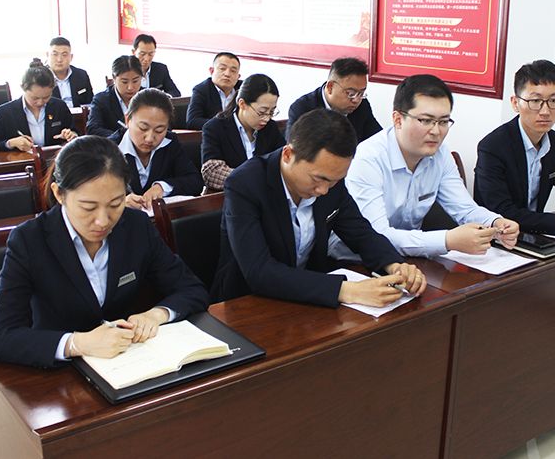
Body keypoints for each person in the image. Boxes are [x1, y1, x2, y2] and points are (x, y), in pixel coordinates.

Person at [0, 135, 209, 368]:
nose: (103, 221)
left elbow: (192, 289)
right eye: (88, 207)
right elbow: (2, 338)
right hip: (62, 374)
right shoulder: (29, 240)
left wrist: (157, 314)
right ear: (59, 194)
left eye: (115, 204)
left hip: (129, 362)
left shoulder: (136, 226)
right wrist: (77, 343)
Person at [212, 108, 426, 308]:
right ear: (288, 155)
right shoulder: (245, 184)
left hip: (308, 301)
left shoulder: (331, 179)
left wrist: (394, 265)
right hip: (246, 303)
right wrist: (346, 290)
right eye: (318, 179)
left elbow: (360, 232)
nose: (324, 190)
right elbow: (259, 271)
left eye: (334, 181)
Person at [329, 75, 519, 260]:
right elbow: (376, 236)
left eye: (443, 122)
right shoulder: (368, 159)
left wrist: (496, 222)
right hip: (355, 261)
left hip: (410, 259)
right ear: (398, 119)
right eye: (426, 121)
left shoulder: (440, 154)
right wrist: (447, 240)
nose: (436, 131)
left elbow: (464, 208)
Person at [474, 59, 555, 234]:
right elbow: (501, 212)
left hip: (535, 235)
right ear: (515, 103)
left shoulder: (554, 142)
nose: (545, 111)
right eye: (535, 101)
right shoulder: (493, 146)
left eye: (554, 100)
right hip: (496, 238)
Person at [109, 88, 203, 210]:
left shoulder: (169, 142)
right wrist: (120, 202)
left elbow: (195, 181)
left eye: (159, 130)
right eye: (143, 128)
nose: (149, 138)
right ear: (128, 120)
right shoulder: (109, 149)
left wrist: (162, 187)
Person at [201, 74, 285, 191]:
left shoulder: (270, 128)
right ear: (242, 104)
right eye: (262, 112)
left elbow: (283, 162)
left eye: (271, 112)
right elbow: (212, 172)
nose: (266, 118)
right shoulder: (215, 128)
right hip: (230, 196)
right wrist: (254, 179)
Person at [286, 57, 381, 142]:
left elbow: (378, 140)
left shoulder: (362, 106)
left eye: (361, 93)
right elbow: (296, 149)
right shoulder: (303, 108)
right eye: (351, 93)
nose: (356, 100)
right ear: (330, 87)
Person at [0, 59, 78, 152]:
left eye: (46, 97)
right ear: (23, 88)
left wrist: (71, 135)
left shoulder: (59, 106)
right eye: (35, 98)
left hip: (55, 157)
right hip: (22, 159)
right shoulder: (6, 112)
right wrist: (10, 143)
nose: (40, 102)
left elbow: (74, 132)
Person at [87, 56, 143, 137]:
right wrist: (122, 136)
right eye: (124, 82)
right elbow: (92, 129)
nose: (130, 87)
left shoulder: (148, 97)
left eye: (135, 81)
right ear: (114, 78)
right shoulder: (101, 100)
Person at [186, 52, 242, 129]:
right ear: (212, 71)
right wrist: (225, 125)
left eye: (233, 71)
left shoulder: (244, 89)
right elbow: (192, 121)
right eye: (222, 69)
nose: (227, 74)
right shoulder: (202, 90)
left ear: (238, 76)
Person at [47, 36, 93, 107]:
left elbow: (90, 102)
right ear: (47, 55)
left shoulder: (82, 75)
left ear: (71, 57)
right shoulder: (40, 77)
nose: (59, 59)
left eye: (64, 55)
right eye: (55, 54)